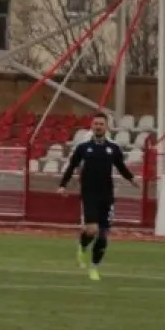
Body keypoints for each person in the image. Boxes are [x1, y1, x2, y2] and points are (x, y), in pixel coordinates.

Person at [57, 113, 139, 281]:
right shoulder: (83, 147)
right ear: (91, 126)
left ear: (106, 127)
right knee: (91, 230)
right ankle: (82, 245)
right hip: (89, 194)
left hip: (107, 195)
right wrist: (62, 185)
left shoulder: (113, 148)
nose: (98, 126)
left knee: (102, 235)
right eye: (95, 124)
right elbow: (72, 166)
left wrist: (132, 179)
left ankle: (94, 268)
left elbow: (121, 166)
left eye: (101, 124)